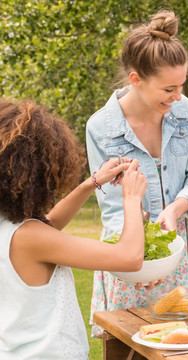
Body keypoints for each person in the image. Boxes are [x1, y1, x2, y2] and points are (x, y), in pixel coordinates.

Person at [86, 10, 188, 336]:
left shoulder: (184, 112)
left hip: (176, 251)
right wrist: (138, 262)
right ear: (136, 80)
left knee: (180, 343)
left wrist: (176, 208)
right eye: (169, 89)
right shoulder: (100, 128)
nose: (178, 96)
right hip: (127, 256)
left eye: (182, 85)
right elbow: (113, 209)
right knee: (128, 344)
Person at [0, 98, 147, 359]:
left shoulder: (14, 229)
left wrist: (91, 183)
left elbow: (49, 223)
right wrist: (132, 198)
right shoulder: (30, 238)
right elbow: (130, 257)